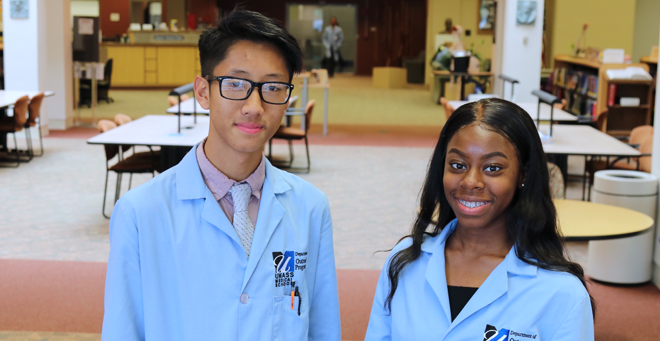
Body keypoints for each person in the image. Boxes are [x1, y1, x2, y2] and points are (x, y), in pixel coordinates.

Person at [102, 10, 341, 341]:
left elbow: (322, 327)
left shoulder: (311, 208)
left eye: (272, 87)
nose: (254, 105)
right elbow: (122, 331)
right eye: (236, 84)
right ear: (202, 92)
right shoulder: (141, 213)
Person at [365, 98, 595, 340]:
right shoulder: (404, 262)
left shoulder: (561, 292)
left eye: (492, 168)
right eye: (457, 164)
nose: (470, 181)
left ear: (523, 174)